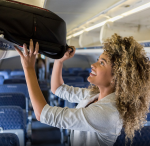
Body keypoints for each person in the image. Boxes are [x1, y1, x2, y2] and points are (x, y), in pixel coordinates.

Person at [14, 33, 150, 146]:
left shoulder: (107, 113)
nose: (93, 64)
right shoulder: (96, 95)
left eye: (102, 63)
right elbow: (58, 89)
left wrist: (29, 68)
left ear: (116, 77)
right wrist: (59, 61)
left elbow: (43, 114)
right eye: (98, 59)